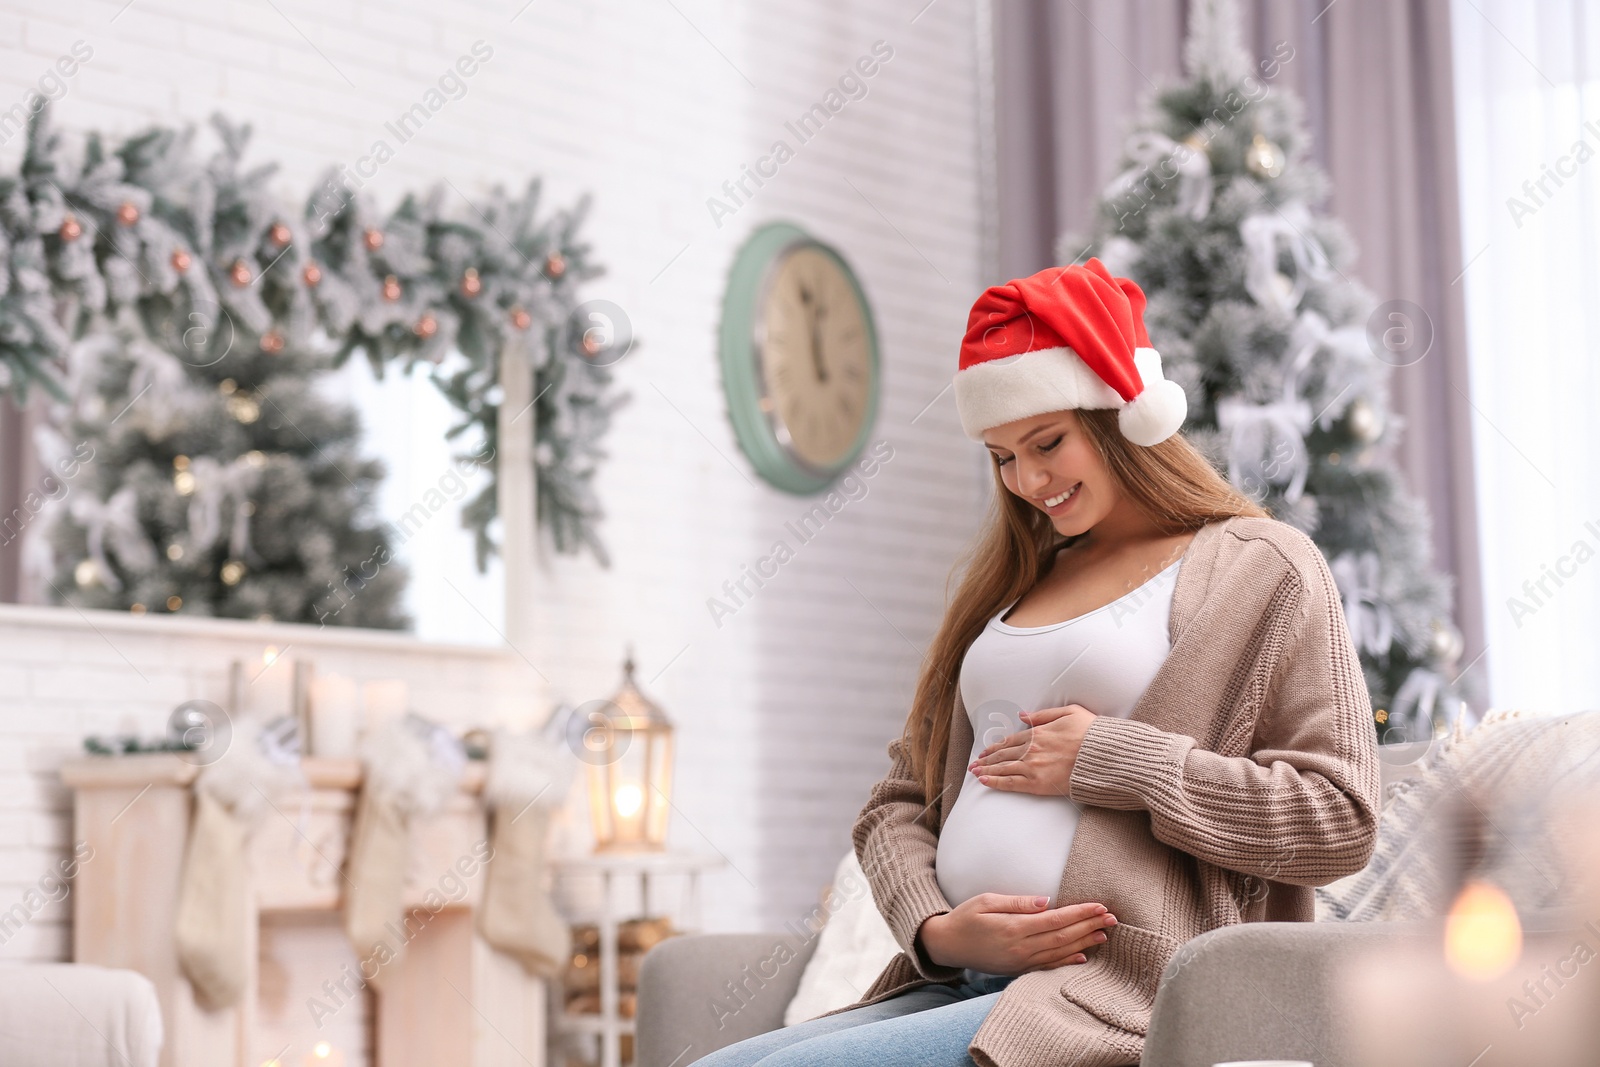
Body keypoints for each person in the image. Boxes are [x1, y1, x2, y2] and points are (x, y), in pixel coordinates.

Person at [691, 259, 1380, 1067]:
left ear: (1122, 415)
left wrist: (1110, 757)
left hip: (1114, 992)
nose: (1029, 481)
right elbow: (897, 804)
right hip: (961, 981)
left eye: (1048, 442)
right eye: (1003, 456)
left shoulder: (1261, 566)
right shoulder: (1011, 588)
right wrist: (937, 929)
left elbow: (1339, 817)